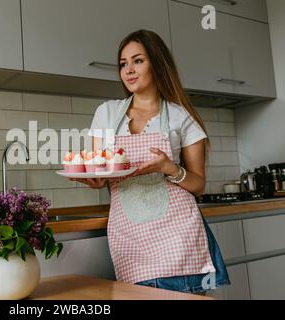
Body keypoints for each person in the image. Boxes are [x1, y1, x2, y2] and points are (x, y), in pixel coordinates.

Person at [73, 30, 230, 295]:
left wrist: (169, 168)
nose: (128, 70)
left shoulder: (182, 117)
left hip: (178, 236)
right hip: (130, 237)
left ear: (157, 63)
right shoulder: (107, 113)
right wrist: (95, 179)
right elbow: (101, 171)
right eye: (123, 64)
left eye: (138, 61)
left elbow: (199, 184)